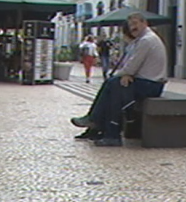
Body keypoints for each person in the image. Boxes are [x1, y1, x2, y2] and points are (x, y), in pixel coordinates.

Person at [70, 13, 167, 147]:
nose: (133, 27)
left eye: (135, 23)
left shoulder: (146, 40)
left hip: (151, 84)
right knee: (114, 85)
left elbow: (132, 66)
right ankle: (99, 127)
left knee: (114, 85)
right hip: (145, 82)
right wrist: (125, 74)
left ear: (144, 23)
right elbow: (131, 67)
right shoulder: (141, 40)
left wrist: (124, 74)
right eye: (130, 25)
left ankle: (103, 128)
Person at [74, 22, 136, 141]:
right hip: (131, 79)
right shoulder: (134, 46)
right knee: (110, 84)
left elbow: (132, 66)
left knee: (112, 87)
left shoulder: (142, 44)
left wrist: (123, 74)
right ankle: (94, 124)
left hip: (139, 82)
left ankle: (97, 124)